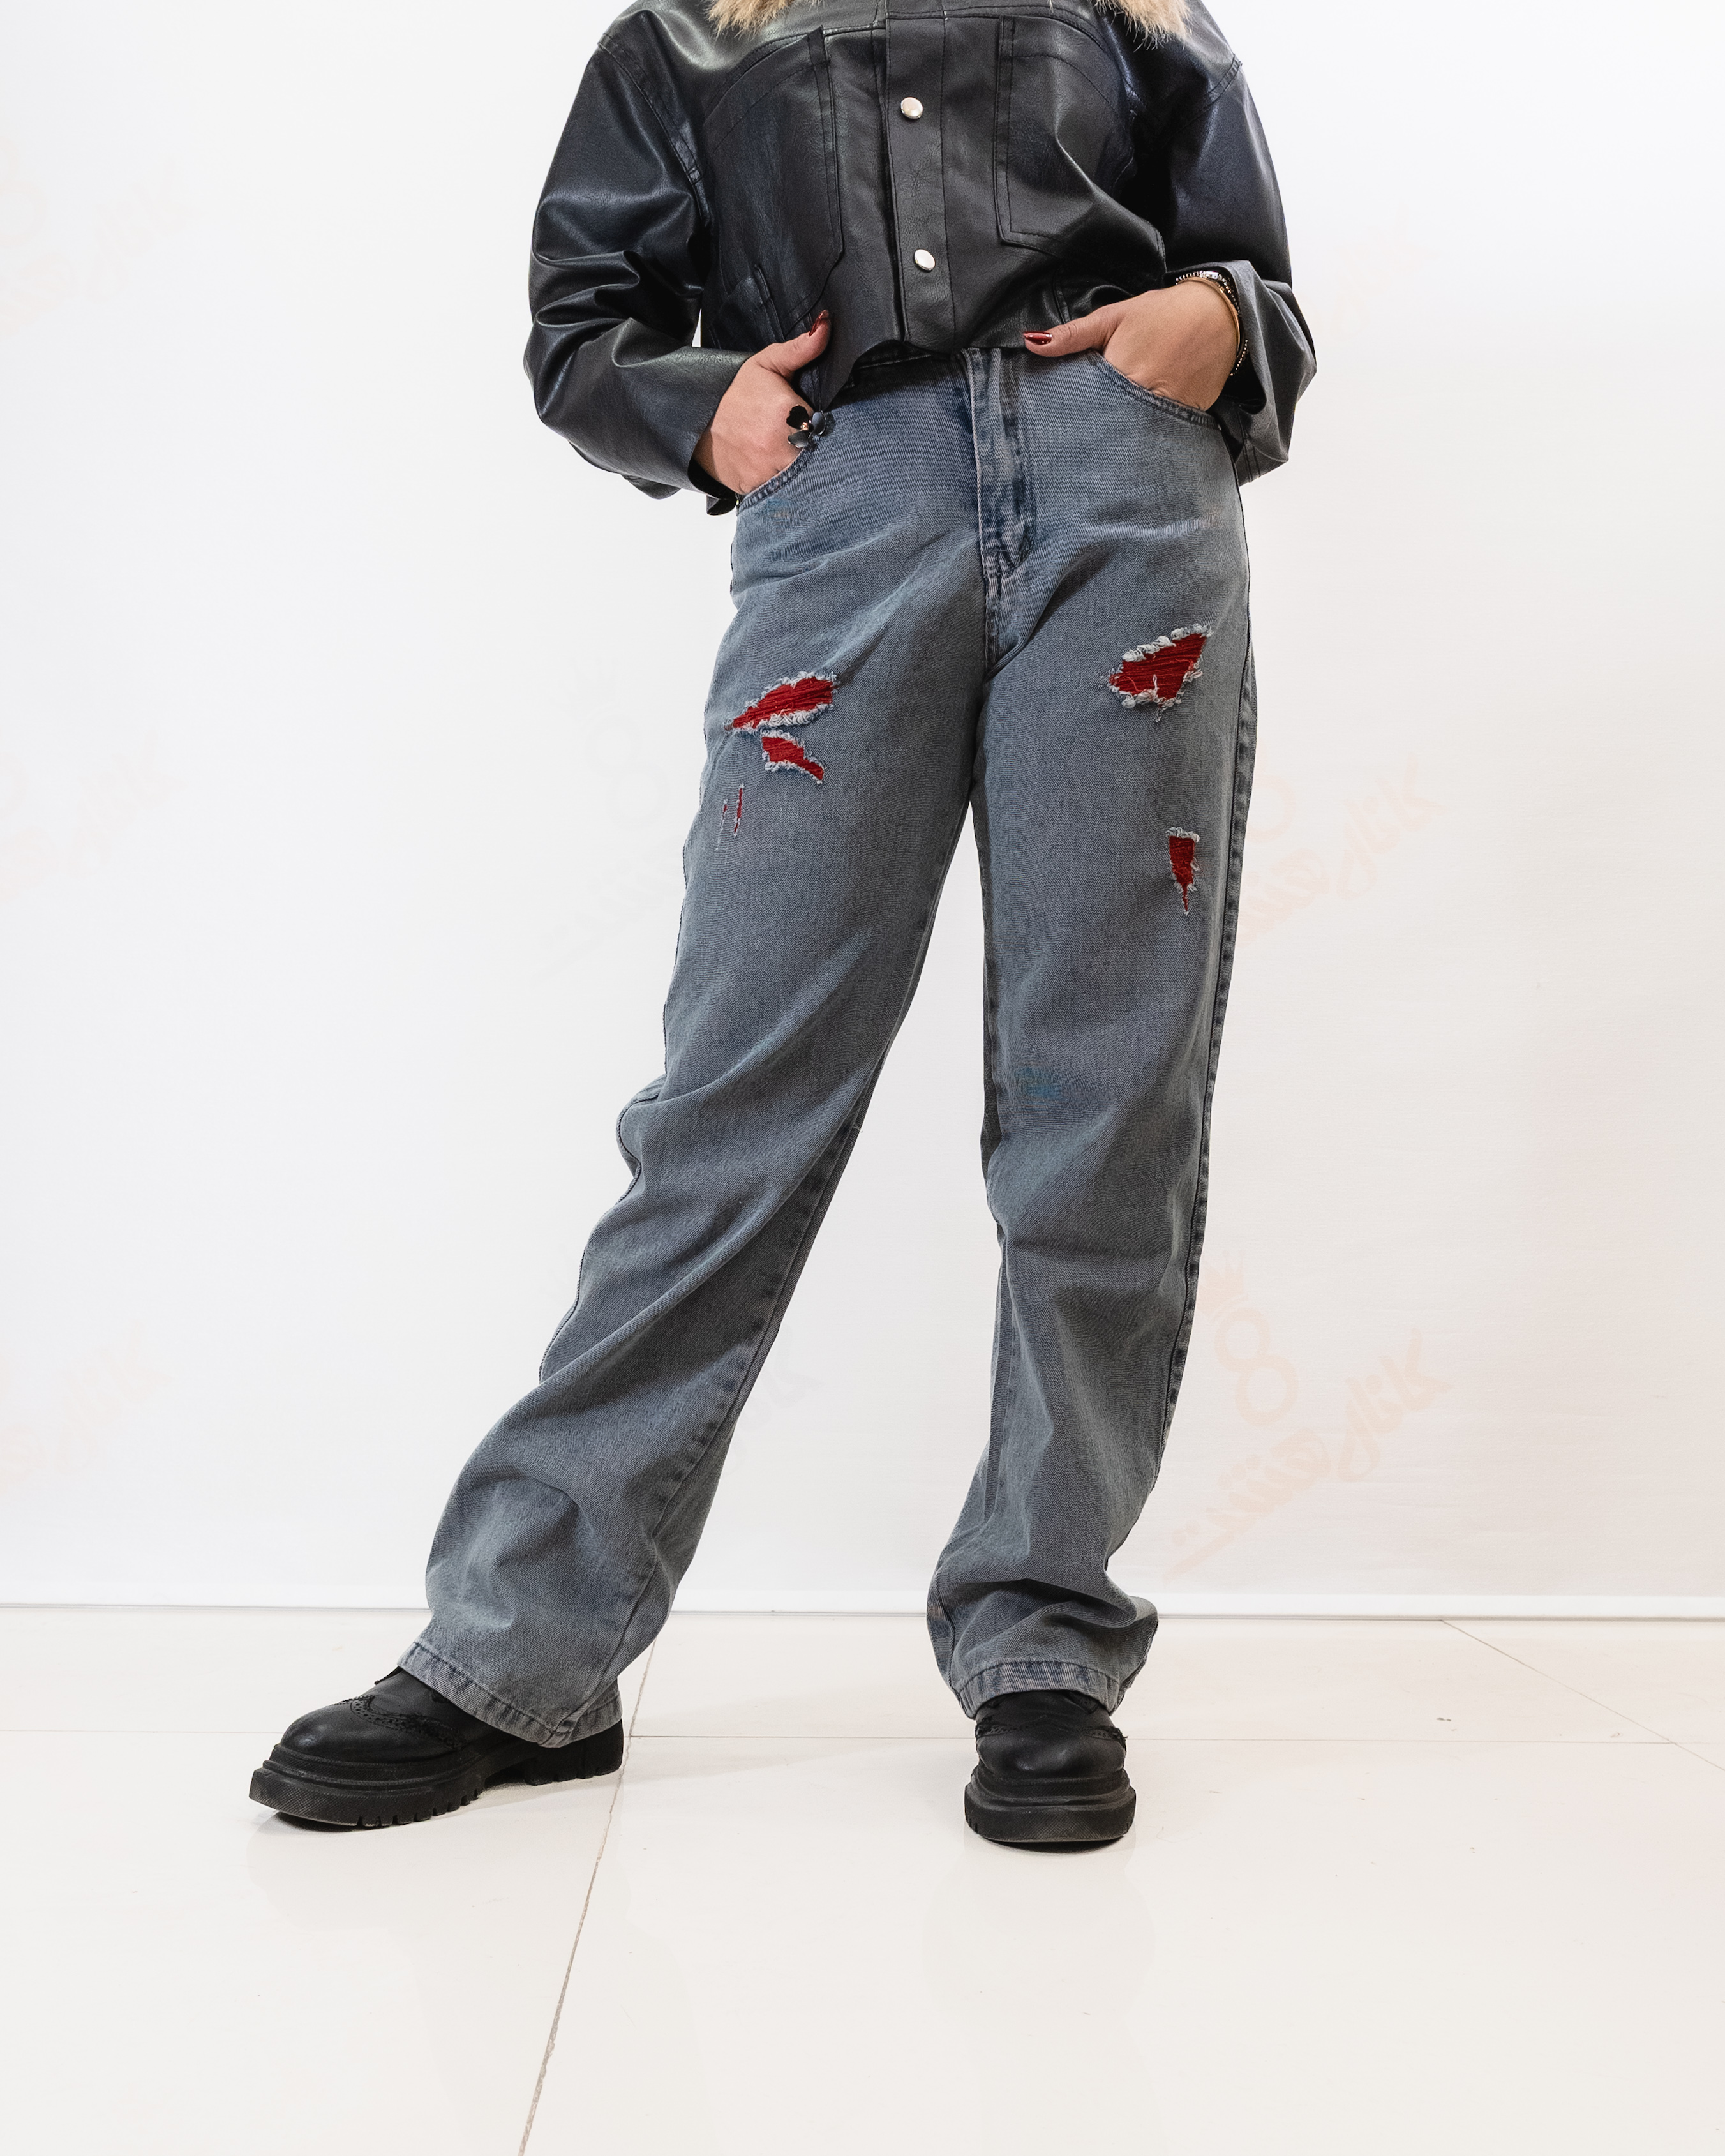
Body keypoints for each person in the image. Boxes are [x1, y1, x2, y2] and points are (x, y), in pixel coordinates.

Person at [250, 0, 1313, 1846]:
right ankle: (524, 1647)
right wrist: (704, 409)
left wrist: (1216, 324)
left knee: (1106, 1096)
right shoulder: (682, 38)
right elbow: (579, 323)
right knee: (731, 1098)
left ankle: (1045, 1636)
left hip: (1127, 498)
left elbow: (1262, 286)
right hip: (846, 505)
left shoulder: (1132, 9)